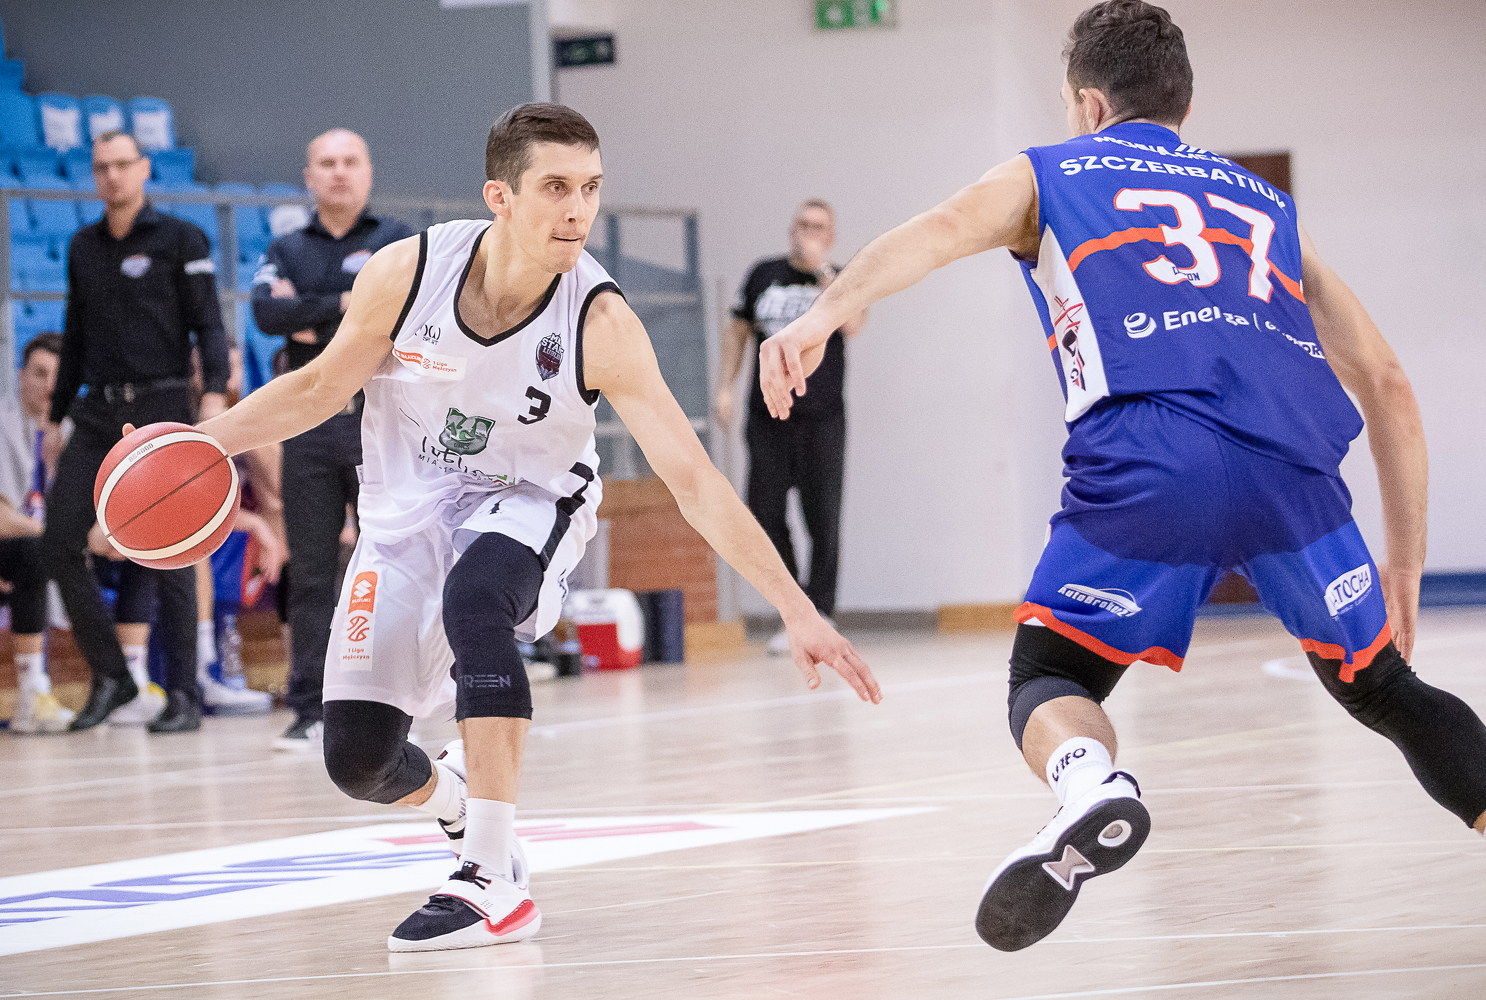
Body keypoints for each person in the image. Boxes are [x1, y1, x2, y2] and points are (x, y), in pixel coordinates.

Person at [760, 0, 1486, 952]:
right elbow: (1388, 383)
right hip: (1293, 473)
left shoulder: (1049, 174)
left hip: (1151, 461)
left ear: (1090, 105)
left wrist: (819, 317)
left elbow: (938, 229)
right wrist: (1405, 563)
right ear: (1182, 103)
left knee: (1052, 674)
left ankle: (1089, 785)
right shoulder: (1260, 202)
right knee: (1385, 688)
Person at [181, 103, 879, 952]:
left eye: (590, 188)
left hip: (532, 498)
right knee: (358, 759)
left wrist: (797, 609)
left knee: (477, 602)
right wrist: (197, 444)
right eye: (556, 187)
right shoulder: (407, 273)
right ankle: (456, 800)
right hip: (405, 514)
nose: (578, 210)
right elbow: (320, 387)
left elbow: (694, 480)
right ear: (500, 197)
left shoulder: (600, 321)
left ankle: (490, 877)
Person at [43, 129, 230, 733]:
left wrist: (213, 393)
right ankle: (113, 677)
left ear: (144, 168)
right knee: (58, 541)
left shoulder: (181, 238)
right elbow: (74, 334)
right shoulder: (82, 245)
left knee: (172, 551)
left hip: (162, 407)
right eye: (102, 167)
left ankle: (183, 694)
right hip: (96, 411)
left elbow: (210, 324)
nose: (113, 176)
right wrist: (56, 417)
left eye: (123, 164)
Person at [251, 129, 413, 750]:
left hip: (382, 424)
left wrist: (312, 315)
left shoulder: (397, 241)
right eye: (327, 163)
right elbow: (268, 314)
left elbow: (405, 314)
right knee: (313, 573)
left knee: (392, 566)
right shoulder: (286, 247)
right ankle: (309, 708)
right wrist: (349, 304)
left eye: (350, 162)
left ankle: (392, 703)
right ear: (309, 176)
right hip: (309, 428)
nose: (339, 172)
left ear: (368, 171)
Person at [717, 200, 866, 654]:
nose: (809, 233)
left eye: (819, 227)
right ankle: (796, 611)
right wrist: (725, 387)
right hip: (768, 415)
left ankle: (821, 610)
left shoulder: (842, 278)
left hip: (823, 418)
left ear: (831, 236)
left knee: (823, 518)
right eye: (803, 225)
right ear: (790, 230)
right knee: (764, 512)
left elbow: (854, 324)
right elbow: (738, 332)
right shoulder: (763, 274)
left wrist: (823, 271)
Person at [1, 334, 74, 733]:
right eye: (39, 374)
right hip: (16, 548)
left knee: (138, 557)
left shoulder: (72, 432)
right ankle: (32, 691)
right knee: (33, 552)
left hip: (51, 547)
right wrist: (52, 533)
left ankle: (128, 681)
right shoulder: (2, 423)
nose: (49, 386)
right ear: (20, 375)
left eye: (57, 377)